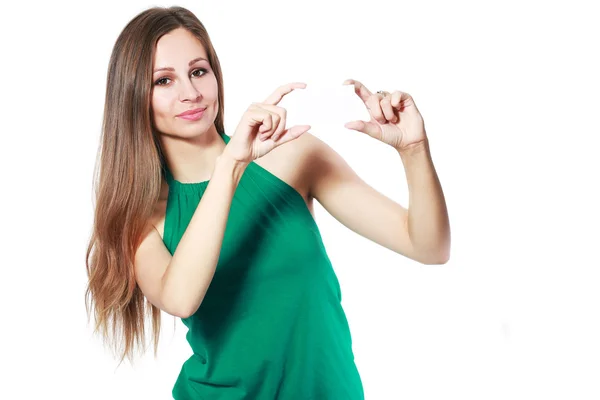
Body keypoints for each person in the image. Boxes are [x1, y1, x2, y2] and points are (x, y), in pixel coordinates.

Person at [85, 5, 451, 399]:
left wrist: (414, 150)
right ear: (133, 96)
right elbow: (180, 297)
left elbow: (429, 247)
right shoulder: (142, 219)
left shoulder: (294, 157)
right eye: (163, 81)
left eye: (197, 71)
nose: (190, 93)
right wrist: (230, 166)